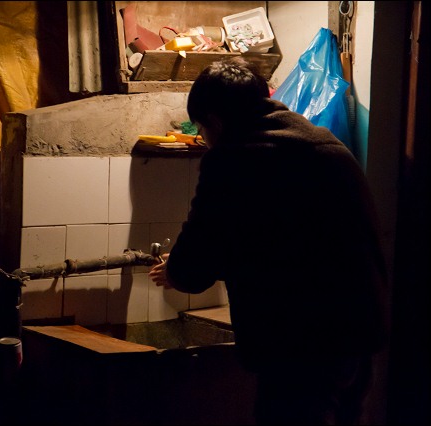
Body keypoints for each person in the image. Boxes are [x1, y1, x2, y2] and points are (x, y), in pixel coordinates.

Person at [148, 57, 390, 425]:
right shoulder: (324, 144)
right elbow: (281, 238)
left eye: (201, 131)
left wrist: (176, 271)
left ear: (215, 122)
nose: (206, 141)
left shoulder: (234, 159)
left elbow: (198, 260)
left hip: (301, 344)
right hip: (359, 335)